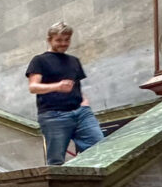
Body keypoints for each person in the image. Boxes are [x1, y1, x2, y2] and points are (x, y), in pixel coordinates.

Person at [25, 21, 105, 165]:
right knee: (56, 161)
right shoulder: (39, 60)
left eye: (67, 40)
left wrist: (85, 104)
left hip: (81, 113)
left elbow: (77, 87)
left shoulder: (74, 61)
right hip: (53, 116)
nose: (63, 43)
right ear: (49, 40)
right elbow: (33, 87)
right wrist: (58, 86)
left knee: (100, 150)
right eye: (59, 40)